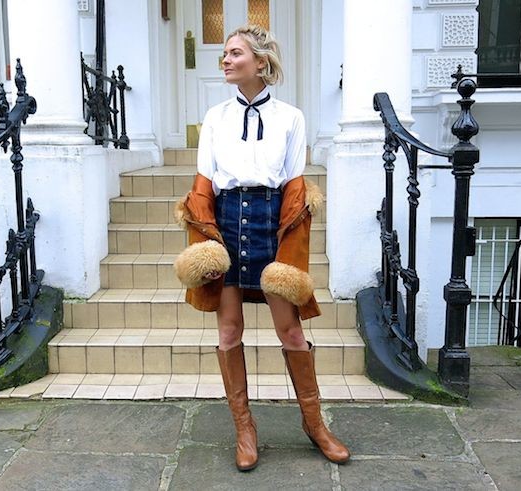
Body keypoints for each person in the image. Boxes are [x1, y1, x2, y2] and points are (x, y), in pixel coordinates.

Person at [174, 24, 350, 471]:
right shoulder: (215, 117)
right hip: (227, 223)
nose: (225, 60)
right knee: (229, 330)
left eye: (235, 53)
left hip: (272, 222)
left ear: (260, 60)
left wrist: (290, 254)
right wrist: (205, 240)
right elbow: (203, 186)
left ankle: (314, 424)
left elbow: (295, 188)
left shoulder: (291, 117)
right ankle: (244, 429)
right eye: (225, 54)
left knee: (290, 331)